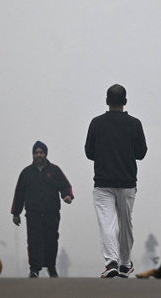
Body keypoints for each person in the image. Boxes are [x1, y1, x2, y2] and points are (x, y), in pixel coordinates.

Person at [85, 84, 147, 278]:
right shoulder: (135, 124)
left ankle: (111, 261)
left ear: (106, 101)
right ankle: (125, 263)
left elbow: (89, 152)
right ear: (125, 101)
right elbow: (141, 153)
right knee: (125, 224)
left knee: (107, 223)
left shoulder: (96, 123)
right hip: (127, 181)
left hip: (103, 181)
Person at [11, 140, 74, 278]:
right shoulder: (26, 173)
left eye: (41, 152)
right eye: (36, 152)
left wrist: (67, 196)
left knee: (51, 240)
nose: (38, 155)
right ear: (33, 155)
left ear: (45, 154)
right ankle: (34, 269)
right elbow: (19, 194)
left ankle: (51, 267)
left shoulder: (54, 170)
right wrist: (16, 213)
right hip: (33, 214)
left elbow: (65, 185)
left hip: (51, 213)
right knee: (34, 240)